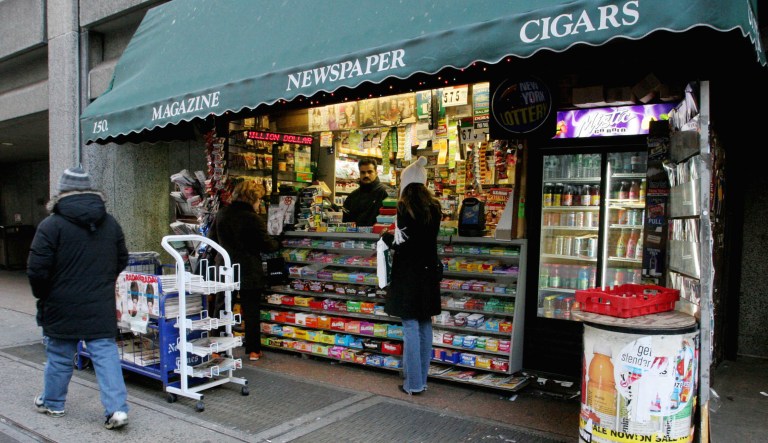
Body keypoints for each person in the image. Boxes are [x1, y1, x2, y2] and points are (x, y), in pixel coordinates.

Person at [27, 166, 130, 429]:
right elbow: (122, 259)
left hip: (61, 304)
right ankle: (117, 410)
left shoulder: (51, 225)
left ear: (61, 192)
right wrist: (102, 283)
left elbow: (37, 270)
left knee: (60, 355)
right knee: (105, 355)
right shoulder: (110, 223)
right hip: (99, 302)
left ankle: (53, 403)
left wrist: (44, 294)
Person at [382, 157, 442, 395]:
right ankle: (421, 379)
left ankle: (413, 383)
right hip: (429, 272)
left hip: (408, 274)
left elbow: (405, 243)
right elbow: (424, 241)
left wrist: (387, 239)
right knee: (425, 323)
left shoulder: (404, 206)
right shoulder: (434, 206)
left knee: (410, 325)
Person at [211, 180, 280, 361]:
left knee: (222, 307)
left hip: (225, 268)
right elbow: (267, 246)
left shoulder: (222, 214)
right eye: (258, 200)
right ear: (251, 198)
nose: (259, 204)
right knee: (251, 310)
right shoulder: (252, 218)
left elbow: (211, 239)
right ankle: (253, 350)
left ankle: (216, 347)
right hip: (249, 269)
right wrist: (278, 241)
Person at [342, 158, 392, 226]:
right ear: (359, 173)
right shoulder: (352, 197)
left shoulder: (386, 193)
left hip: (379, 235)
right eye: (363, 172)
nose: (366, 175)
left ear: (376, 173)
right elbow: (346, 222)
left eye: (369, 172)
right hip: (356, 236)